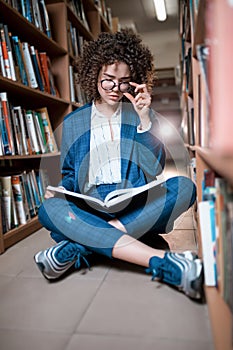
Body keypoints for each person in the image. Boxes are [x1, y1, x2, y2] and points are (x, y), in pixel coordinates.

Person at [34, 29, 203, 300]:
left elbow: (155, 169)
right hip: (89, 207)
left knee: (184, 187)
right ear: (94, 77)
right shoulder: (74, 122)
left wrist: (145, 120)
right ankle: (161, 261)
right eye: (108, 81)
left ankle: (82, 244)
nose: (116, 89)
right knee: (49, 208)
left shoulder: (140, 115)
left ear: (134, 82)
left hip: (134, 205)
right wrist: (59, 190)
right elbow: (68, 173)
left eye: (124, 82)